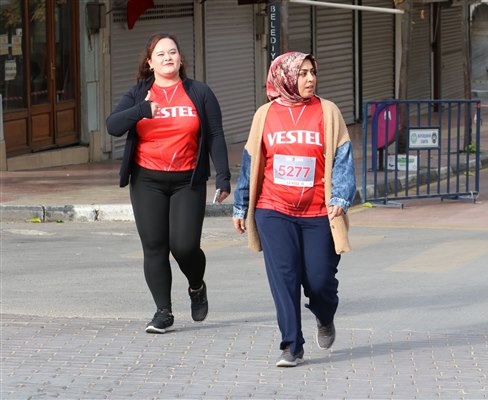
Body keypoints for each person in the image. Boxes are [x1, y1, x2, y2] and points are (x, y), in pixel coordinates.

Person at [232, 52, 356, 367]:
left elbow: (343, 155)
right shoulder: (264, 115)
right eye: (302, 74)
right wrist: (241, 205)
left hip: (318, 211)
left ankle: (324, 316)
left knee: (319, 280)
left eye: (312, 72)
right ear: (285, 77)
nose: (310, 79)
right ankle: (291, 345)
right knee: (284, 277)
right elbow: (251, 162)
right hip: (273, 208)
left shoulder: (328, 111)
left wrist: (340, 197)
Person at [106, 32, 231, 334]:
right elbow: (113, 126)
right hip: (147, 180)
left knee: (184, 246)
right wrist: (141, 110)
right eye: (160, 54)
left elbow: (215, 135)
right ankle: (163, 311)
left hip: (187, 180)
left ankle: (196, 285)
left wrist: (223, 177)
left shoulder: (199, 92)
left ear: (180, 58)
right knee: (154, 246)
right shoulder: (139, 93)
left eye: (172, 52)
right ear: (150, 62)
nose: (167, 58)